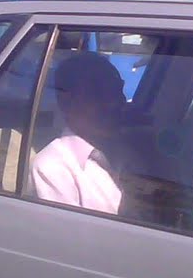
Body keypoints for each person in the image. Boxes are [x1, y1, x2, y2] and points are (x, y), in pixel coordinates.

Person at [30, 52, 127, 214]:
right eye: (102, 94)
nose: (118, 101)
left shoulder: (128, 151)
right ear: (66, 102)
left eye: (118, 90)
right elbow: (74, 237)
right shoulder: (53, 168)